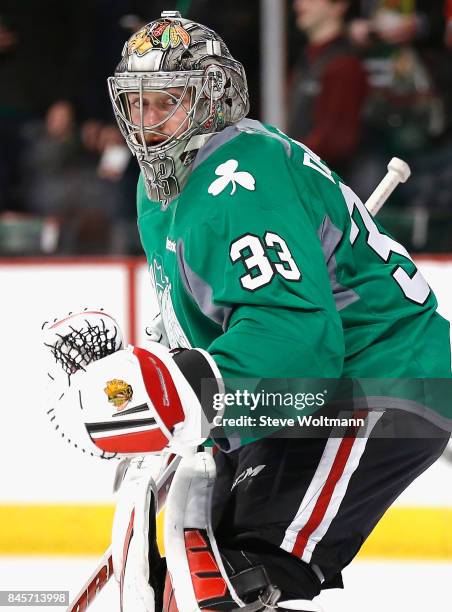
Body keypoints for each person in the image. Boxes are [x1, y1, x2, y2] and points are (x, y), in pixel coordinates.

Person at [46, 10, 451, 611]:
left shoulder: (241, 180)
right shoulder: (161, 185)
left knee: (234, 580)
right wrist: (161, 379)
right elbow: (205, 323)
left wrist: (186, 390)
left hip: (377, 381)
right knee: (196, 571)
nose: (146, 123)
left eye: (167, 103)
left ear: (212, 100)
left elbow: (296, 340)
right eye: (137, 104)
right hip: (301, 392)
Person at [288, 0, 369, 180]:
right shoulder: (307, 59)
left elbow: (336, 140)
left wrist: (285, 156)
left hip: (327, 184)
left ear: (339, 5)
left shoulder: (344, 64)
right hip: (305, 175)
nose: (300, 4)